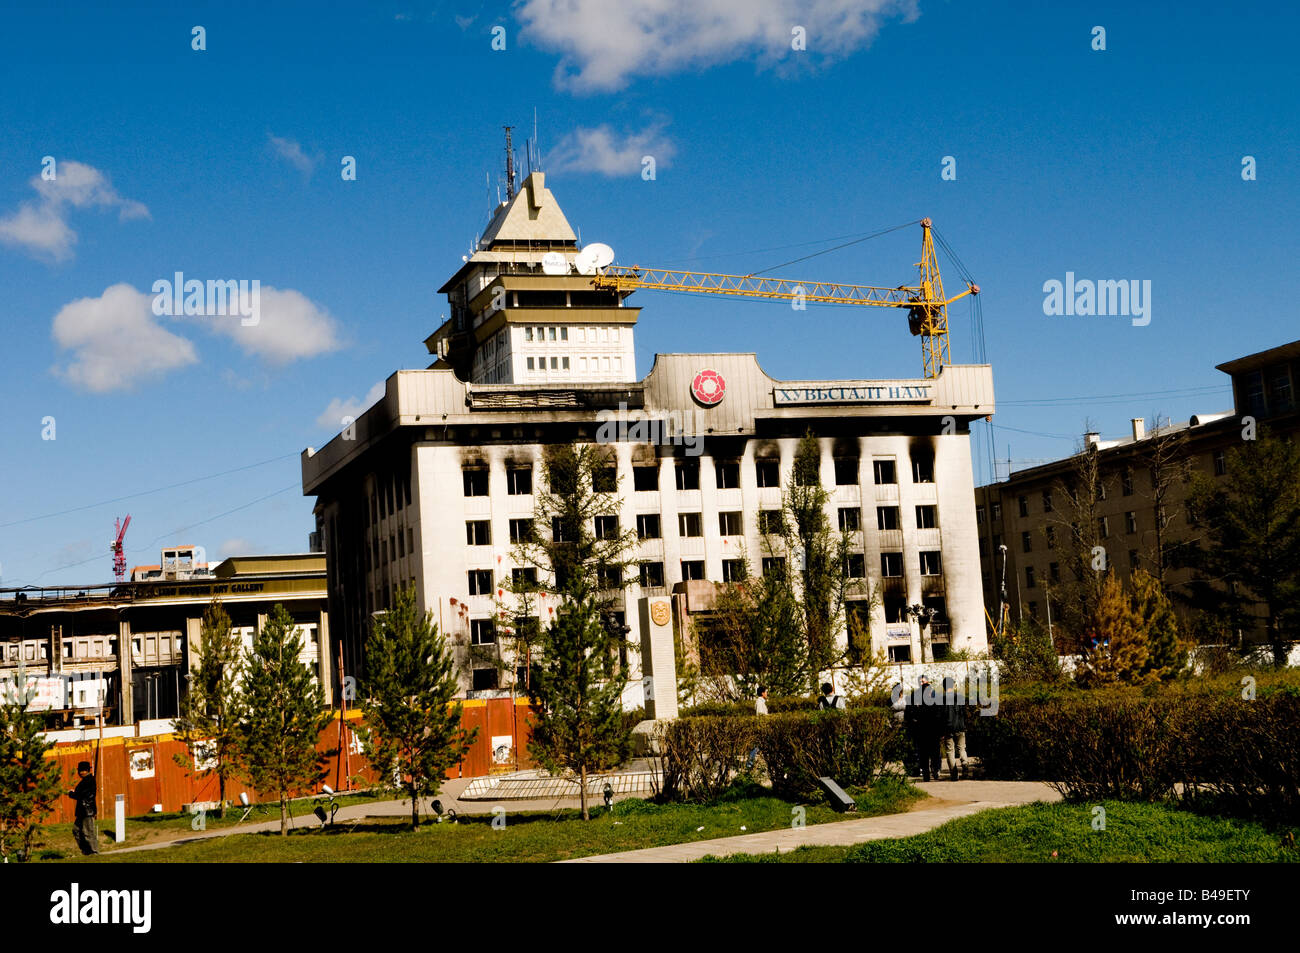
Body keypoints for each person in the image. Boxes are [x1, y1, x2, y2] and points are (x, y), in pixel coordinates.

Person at [905, 675, 942, 781]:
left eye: (924, 682)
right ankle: (927, 772)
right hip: (921, 729)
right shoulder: (914, 696)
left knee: (933, 751)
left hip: (932, 729)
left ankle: (935, 770)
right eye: (921, 682)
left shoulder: (935, 696)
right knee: (924, 752)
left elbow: (940, 712)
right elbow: (909, 713)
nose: (922, 684)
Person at [67, 761, 99, 856]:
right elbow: (80, 793)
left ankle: (94, 851)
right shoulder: (85, 780)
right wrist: (74, 792)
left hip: (87, 810)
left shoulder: (89, 780)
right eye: (80, 770)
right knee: (76, 830)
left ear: (85, 771)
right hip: (82, 810)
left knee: (88, 832)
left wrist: (71, 794)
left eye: (81, 770)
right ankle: (86, 851)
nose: (80, 773)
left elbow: (81, 795)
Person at [941, 676, 968, 781]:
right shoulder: (960, 697)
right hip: (960, 727)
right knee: (962, 748)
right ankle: (965, 766)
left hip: (947, 729)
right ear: (953, 685)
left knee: (950, 751)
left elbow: (940, 716)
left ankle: (954, 773)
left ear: (944, 687)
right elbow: (964, 713)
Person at [746, 686, 768, 770]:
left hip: (763, 726)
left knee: (760, 746)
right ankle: (749, 763)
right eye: (766, 692)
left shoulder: (762, 702)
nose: (767, 694)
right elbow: (760, 715)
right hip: (761, 727)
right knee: (757, 746)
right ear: (762, 693)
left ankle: (753, 763)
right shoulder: (759, 702)